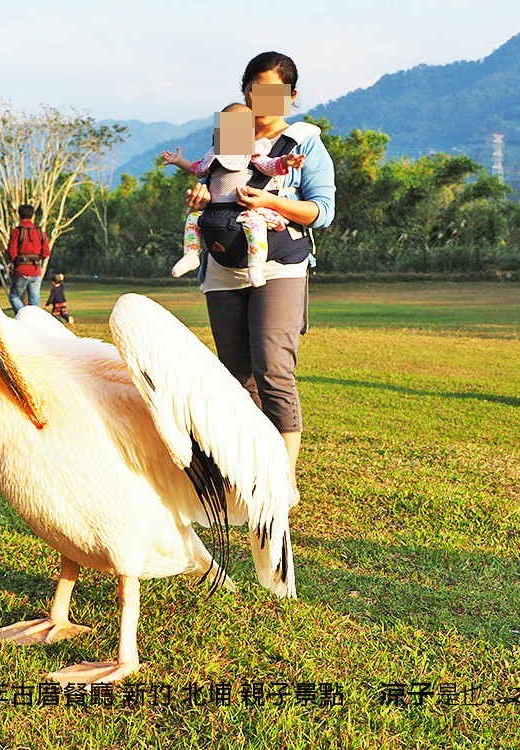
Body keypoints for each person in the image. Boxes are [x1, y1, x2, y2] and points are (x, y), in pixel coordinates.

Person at [185, 51, 336, 485]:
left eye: (276, 93)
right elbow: (211, 182)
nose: (265, 102)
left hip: (279, 268)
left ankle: (282, 481)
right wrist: (198, 198)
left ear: (291, 95)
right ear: (245, 90)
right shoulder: (230, 130)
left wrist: (271, 201)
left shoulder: (304, 142)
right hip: (221, 267)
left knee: (272, 369)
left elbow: (321, 211)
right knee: (235, 375)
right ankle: (248, 472)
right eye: (257, 91)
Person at [162, 103, 305, 287]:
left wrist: (286, 162)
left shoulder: (252, 151)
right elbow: (197, 169)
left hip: (244, 209)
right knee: (192, 219)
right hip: (215, 209)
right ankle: (190, 254)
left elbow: (270, 166)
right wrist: (179, 161)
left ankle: (255, 267)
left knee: (256, 227)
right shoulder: (214, 154)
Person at [7, 204, 50, 313]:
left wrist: (16, 261)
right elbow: (46, 252)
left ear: (19, 215)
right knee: (35, 302)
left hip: (21, 270)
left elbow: (12, 252)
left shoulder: (17, 231)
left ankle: (24, 317)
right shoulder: (40, 232)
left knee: (14, 296)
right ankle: (35, 321)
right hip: (36, 271)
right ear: (33, 216)